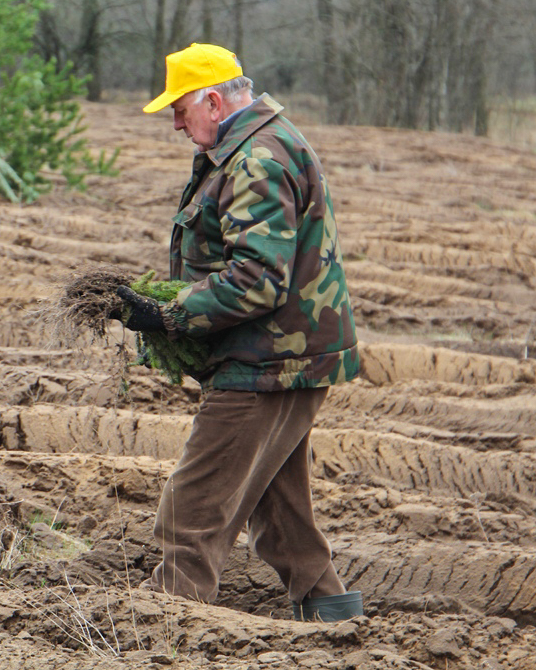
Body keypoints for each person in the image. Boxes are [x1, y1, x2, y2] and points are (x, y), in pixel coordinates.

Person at [116, 44, 362, 621]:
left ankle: (166, 630)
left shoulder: (256, 158)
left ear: (212, 99)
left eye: (179, 109)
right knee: (282, 515)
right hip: (285, 355)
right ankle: (336, 621)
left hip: (267, 362)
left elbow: (256, 280)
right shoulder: (250, 146)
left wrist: (168, 313)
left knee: (193, 506)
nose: (175, 122)